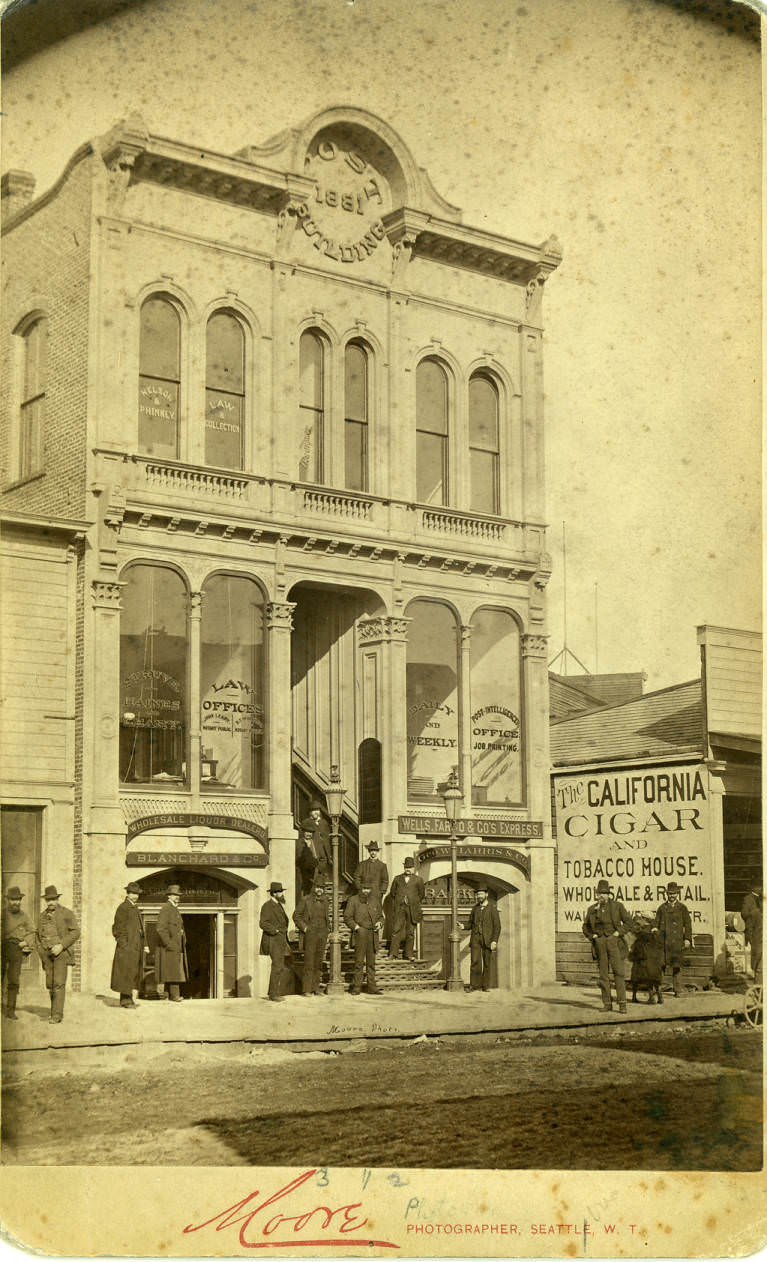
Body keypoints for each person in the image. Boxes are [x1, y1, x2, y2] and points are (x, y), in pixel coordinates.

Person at [582, 878, 633, 1013]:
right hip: (600, 944)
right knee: (603, 975)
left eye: (604, 893)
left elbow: (629, 923)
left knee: (619, 973)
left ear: (609, 894)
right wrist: (592, 936)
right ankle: (607, 1003)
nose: (602, 896)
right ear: (597, 895)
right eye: (600, 893)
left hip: (614, 942)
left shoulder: (618, 906)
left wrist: (618, 933)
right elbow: (585, 927)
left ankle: (622, 1004)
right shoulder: (592, 909)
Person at [36, 885, 80, 1024]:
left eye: (53, 899)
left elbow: (75, 932)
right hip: (47, 954)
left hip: (61, 954)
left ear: (57, 899)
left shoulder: (67, 913)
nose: (51, 902)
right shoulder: (42, 916)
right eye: (48, 900)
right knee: (50, 984)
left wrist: (61, 945)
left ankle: (57, 1015)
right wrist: (41, 951)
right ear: (45, 901)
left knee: (59, 983)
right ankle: (53, 1011)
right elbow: (37, 935)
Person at [110, 881, 148, 1008]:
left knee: (132, 973)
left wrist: (145, 944)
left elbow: (140, 929)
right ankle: (125, 1000)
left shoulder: (135, 907)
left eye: (137, 894)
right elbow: (117, 929)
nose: (135, 896)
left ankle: (129, 998)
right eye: (133, 893)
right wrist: (124, 946)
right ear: (128, 893)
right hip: (127, 948)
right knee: (125, 973)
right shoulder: (123, 907)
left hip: (135, 947)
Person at [654, 880, 693, 997]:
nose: (672, 896)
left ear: (678, 894)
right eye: (670, 894)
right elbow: (655, 923)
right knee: (661, 966)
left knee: (677, 966)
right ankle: (658, 990)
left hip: (677, 942)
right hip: (664, 942)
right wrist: (655, 930)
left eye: (674, 893)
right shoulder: (662, 908)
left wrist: (687, 939)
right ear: (667, 894)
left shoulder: (682, 908)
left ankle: (678, 990)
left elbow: (688, 924)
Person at [344, 879, 383, 995]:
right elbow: (347, 917)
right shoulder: (353, 900)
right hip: (360, 934)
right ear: (360, 889)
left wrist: (380, 923)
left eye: (368, 889)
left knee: (371, 963)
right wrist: (356, 927)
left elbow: (381, 916)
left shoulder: (375, 901)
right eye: (364, 889)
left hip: (372, 934)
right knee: (359, 962)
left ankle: (372, 987)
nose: (366, 891)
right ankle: (357, 987)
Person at [2, 886, 35, 1020]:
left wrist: (25, 941)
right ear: (8, 900)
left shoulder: (24, 916)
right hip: (1, 947)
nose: (15, 902)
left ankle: (11, 1010)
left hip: (16, 948)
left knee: (14, 980)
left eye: (18, 900)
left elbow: (33, 931)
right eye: (12, 899)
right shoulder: (2, 913)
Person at [293, 876, 331, 995]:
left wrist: (327, 929)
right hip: (310, 934)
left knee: (318, 961)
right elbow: (296, 916)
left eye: (322, 888)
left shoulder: (325, 900)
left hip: (322, 934)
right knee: (309, 961)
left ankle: (315, 988)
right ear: (314, 887)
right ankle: (307, 989)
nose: (319, 890)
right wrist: (305, 928)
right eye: (318, 887)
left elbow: (326, 917)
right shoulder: (305, 900)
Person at [260, 881, 291, 1002]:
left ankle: (274, 992)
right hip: (273, 940)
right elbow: (262, 923)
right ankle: (273, 994)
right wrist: (276, 930)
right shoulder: (267, 906)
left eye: (281, 891)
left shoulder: (278, 905)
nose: (281, 893)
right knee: (277, 966)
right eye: (279, 891)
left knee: (279, 966)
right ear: (273, 893)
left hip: (280, 940)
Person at [389, 857, 425, 960]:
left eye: (410, 867)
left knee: (410, 932)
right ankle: (393, 953)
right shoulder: (397, 879)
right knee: (396, 930)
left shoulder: (418, 880)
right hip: (400, 908)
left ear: (413, 868)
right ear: (404, 867)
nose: (408, 869)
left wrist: (412, 901)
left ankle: (409, 954)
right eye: (406, 867)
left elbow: (421, 894)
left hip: (412, 909)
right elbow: (392, 893)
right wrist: (400, 900)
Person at [156, 884, 187, 1002]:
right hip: (169, 947)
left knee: (173, 970)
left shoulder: (174, 909)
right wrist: (169, 944)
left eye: (178, 895)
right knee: (172, 971)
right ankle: (174, 996)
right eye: (174, 895)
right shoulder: (166, 908)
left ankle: (170, 995)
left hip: (175, 946)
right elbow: (160, 929)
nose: (177, 897)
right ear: (169, 896)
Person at [469, 885, 501, 992]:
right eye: (478, 894)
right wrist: (463, 926)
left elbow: (497, 926)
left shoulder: (492, 908)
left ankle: (485, 986)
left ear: (486, 894)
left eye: (481, 894)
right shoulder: (475, 908)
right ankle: (473, 985)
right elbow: (471, 924)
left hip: (488, 940)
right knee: (474, 962)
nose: (479, 896)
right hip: (475, 939)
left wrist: (494, 941)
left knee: (487, 963)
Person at [629, 915, 664, 1004]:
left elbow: (638, 945)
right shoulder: (656, 931)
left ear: (646, 919)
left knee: (641, 977)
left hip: (644, 958)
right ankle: (660, 997)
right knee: (655, 978)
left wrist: (633, 953)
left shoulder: (643, 931)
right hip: (655, 959)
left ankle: (649, 997)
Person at [299, 803, 332, 878]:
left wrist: (329, 854)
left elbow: (327, 838)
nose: (315, 812)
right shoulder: (306, 822)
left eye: (317, 810)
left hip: (324, 852)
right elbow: (301, 837)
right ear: (310, 812)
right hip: (312, 852)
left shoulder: (324, 822)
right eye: (313, 810)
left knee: (322, 872)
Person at [741, 882, 762, 979]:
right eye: (759, 887)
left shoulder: (762, 898)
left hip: (758, 929)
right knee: (755, 954)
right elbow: (744, 913)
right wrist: (753, 915)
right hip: (754, 929)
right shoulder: (748, 899)